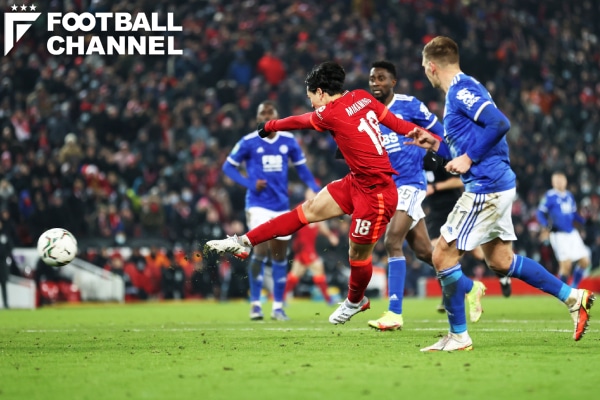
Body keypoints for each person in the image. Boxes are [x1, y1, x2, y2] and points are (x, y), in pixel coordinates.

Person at [206, 61, 440, 325]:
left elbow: (299, 121)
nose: (311, 104)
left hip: (377, 194)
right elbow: (396, 123)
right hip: (356, 182)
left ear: (320, 92)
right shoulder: (362, 97)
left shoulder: (329, 113)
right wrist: (426, 137)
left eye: (311, 98)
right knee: (304, 212)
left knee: (357, 255)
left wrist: (270, 125)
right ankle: (244, 242)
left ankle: (355, 301)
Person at [407, 36, 595, 351]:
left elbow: (499, 123)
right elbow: (469, 141)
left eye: (424, 67)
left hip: (486, 186)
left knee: (441, 255)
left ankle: (458, 336)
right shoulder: (463, 91)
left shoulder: (461, 90)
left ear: (431, 66)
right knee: (501, 261)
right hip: (494, 184)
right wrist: (435, 144)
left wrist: (469, 159)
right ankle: (574, 298)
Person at [364, 60, 485, 331]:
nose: (375, 83)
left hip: (411, 183)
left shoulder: (410, 105)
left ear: (393, 82)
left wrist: (449, 153)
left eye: (381, 78)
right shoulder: (367, 112)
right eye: (372, 79)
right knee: (425, 252)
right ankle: (470, 287)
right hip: (389, 188)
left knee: (392, 241)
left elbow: (441, 132)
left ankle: (394, 313)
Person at [221, 100, 321, 321]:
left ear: (276, 117)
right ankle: (256, 304)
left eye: (270, 112)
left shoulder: (289, 141)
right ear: (257, 118)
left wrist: (317, 189)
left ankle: (277, 307)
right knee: (260, 250)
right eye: (262, 113)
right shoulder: (248, 142)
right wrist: (249, 183)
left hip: (281, 206)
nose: (266, 115)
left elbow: (302, 170)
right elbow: (228, 167)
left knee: (280, 255)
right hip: (257, 205)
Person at [423, 150, 512, 314]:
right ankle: (448, 295)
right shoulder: (416, 159)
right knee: (436, 252)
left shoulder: (441, 156)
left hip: (455, 208)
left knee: (477, 253)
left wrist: (435, 187)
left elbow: (459, 181)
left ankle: (501, 273)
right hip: (435, 213)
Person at [284, 189, 340, 305]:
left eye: (314, 193)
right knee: (318, 268)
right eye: (310, 192)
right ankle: (328, 300)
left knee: (295, 274)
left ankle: (280, 297)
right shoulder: (300, 207)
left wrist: (330, 236)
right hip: (304, 247)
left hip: (306, 247)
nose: (312, 195)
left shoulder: (317, 209)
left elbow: (320, 225)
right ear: (306, 194)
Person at [537, 171, 590, 288]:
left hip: (572, 232)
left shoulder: (569, 196)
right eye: (557, 180)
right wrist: (546, 225)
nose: (559, 183)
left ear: (566, 181)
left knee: (585, 261)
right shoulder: (549, 196)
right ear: (553, 183)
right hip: (558, 235)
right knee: (566, 265)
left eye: (561, 180)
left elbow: (573, 214)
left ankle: (574, 286)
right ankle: (562, 292)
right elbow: (540, 213)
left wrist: (584, 221)